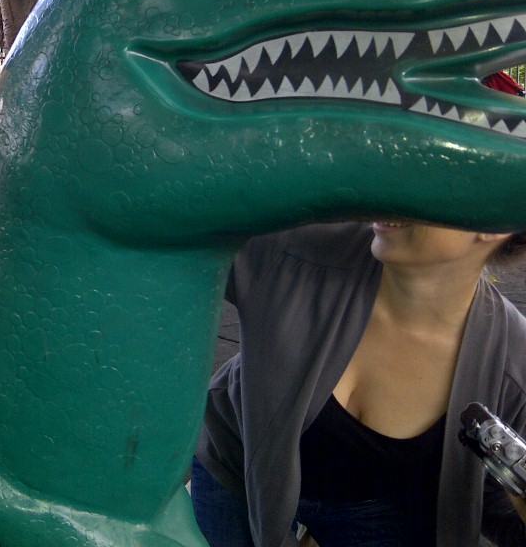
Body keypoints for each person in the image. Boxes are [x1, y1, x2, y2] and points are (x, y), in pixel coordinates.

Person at [191, 220, 526, 547]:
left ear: (496, 221)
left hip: (368, 505)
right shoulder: (300, 249)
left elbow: (489, 497)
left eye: (433, 189)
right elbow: (178, 231)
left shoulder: (513, 365)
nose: (390, 198)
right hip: (237, 466)